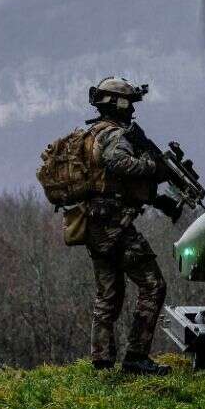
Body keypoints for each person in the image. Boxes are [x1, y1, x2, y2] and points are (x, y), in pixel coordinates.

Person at [83, 77, 181, 374]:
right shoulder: (114, 135)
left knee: (108, 293)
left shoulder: (92, 133)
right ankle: (136, 357)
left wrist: (156, 198)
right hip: (116, 226)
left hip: (94, 225)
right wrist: (154, 167)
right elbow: (119, 164)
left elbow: (116, 185)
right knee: (153, 286)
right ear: (120, 104)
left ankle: (101, 360)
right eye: (130, 104)